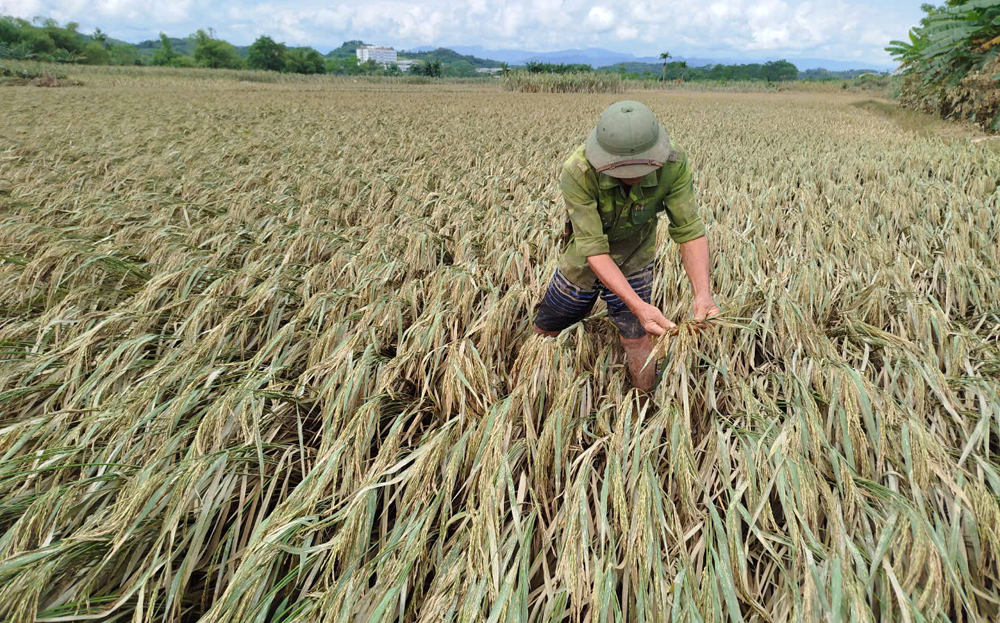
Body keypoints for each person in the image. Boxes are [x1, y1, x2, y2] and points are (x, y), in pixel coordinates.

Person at [533, 100, 721, 392]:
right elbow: (593, 248)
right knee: (549, 324)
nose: (632, 175)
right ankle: (530, 387)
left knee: (636, 336)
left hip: (636, 256)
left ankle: (643, 404)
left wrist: (703, 293)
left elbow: (688, 230)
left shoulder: (674, 164)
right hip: (582, 261)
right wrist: (639, 306)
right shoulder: (578, 171)